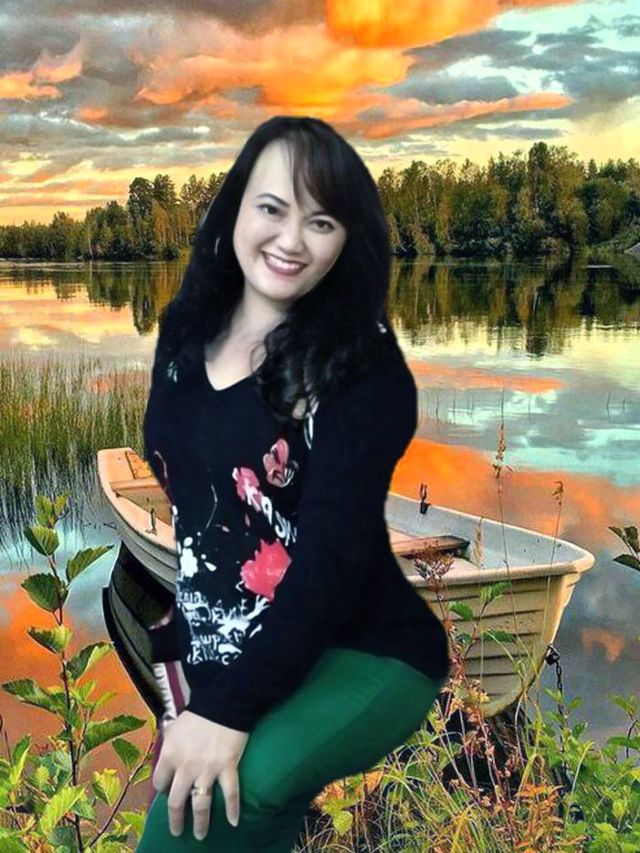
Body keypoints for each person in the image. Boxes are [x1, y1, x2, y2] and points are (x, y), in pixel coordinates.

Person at [136, 115, 450, 852]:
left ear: (346, 241)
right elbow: (199, 518)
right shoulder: (184, 335)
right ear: (236, 207)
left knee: (217, 803)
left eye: (321, 221)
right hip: (238, 649)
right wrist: (192, 682)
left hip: (366, 647)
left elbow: (329, 570)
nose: (292, 240)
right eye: (273, 208)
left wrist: (227, 712)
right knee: (226, 816)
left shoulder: (359, 370)